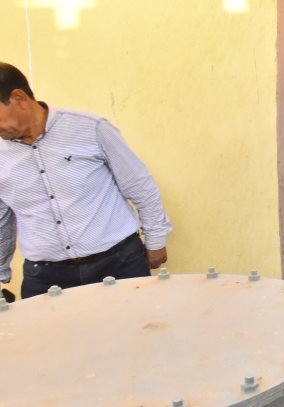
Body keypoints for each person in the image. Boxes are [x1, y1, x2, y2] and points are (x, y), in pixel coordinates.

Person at [0, 62, 172, 299]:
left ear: (18, 98)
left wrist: (156, 239)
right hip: (46, 277)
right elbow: (1, 217)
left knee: (133, 323)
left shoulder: (90, 128)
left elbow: (139, 185)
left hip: (118, 263)